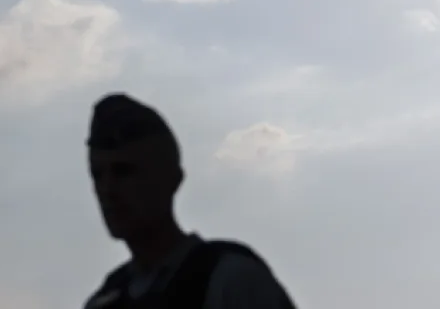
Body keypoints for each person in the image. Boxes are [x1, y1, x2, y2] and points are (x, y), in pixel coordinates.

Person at [83, 94, 296, 309]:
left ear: (169, 179)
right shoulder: (105, 301)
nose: (107, 189)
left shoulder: (231, 280)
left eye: (124, 172)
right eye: (97, 175)